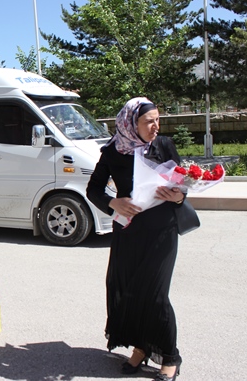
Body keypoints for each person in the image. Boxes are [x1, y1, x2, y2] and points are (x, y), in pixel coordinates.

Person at [86, 97, 185, 381]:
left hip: (161, 230)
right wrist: (113, 203)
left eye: (157, 119)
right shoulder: (113, 152)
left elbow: (181, 183)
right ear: (131, 124)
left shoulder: (163, 146)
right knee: (128, 290)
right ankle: (140, 347)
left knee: (154, 294)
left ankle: (170, 355)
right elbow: (93, 189)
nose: (155, 126)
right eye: (148, 121)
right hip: (128, 231)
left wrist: (179, 195)